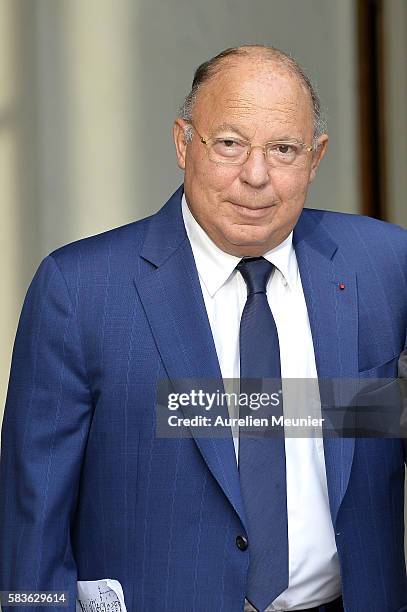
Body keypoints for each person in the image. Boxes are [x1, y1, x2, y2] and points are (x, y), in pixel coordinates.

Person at [0, 44, 406, 612]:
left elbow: (381, 417)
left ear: (315, 158)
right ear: (183, 143)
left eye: (283, 149)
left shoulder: (387, 265)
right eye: (230, 144)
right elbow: (31, 525)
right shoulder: (80, 290)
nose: (256, 175)